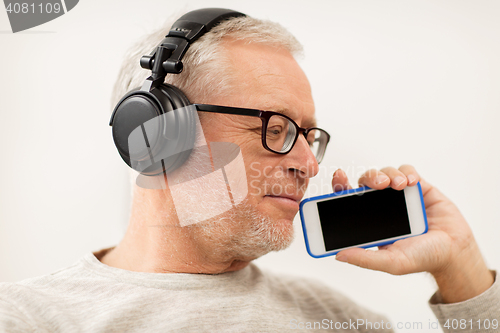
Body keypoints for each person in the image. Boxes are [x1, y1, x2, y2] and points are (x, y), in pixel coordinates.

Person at [1, 9, 498, 333]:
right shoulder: (28, 319)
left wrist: (461, 267)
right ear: (159, 133)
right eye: (277, 128)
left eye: (310, 137)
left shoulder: (346, 322)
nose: (307, 164)